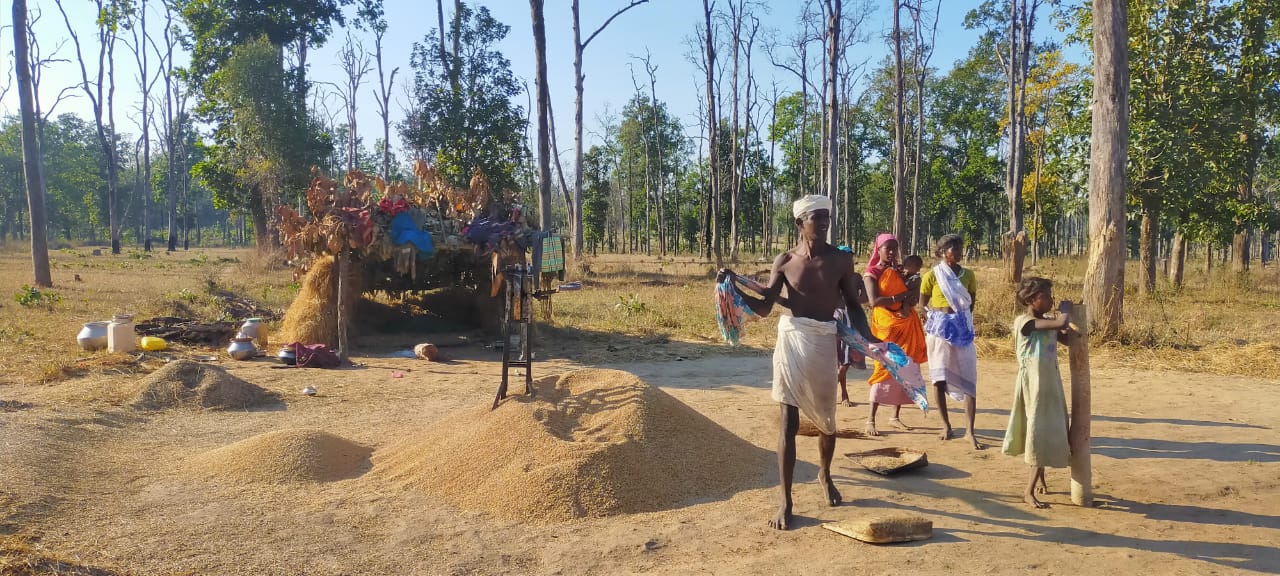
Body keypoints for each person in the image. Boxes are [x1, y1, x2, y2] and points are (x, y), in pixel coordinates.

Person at [722, 194, 877, 531]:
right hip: (791, 340)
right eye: (815, 218)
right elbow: (765, 307)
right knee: (787, 421)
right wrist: (733, 284)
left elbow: (852, 305)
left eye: (826, 218)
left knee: (827, 421)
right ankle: (786, 500)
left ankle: (824, 473)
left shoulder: (841, 260)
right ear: (799, 223)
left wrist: (870, 338)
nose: (823, 223)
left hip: (823, 340)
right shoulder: (786, 261)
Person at [1003, 277, 1073, 509]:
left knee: (1047, 428)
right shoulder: (1026, 322)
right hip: (1035, 386)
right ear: (1033, 299)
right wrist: (1066, 311)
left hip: (1050, 384)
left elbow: (1068, 338)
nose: (1051, 300)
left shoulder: (1046, 322)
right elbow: (1061, 324)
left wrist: (1075, 322)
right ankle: (1028, 491)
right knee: (1038, 431)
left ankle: (1041, 479)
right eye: (1047, 296)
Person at [919, 234, 982, 449]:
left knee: (969, 379)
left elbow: (971, 302)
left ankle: (970, 431)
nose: (957, 251)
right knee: (938, 378)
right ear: (941, 252)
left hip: (962, 331)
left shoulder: (969, 275)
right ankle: (946, 425)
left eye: (959, 248)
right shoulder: (933, 275)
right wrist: (938, 320)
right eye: (952, 248)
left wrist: (960, 320)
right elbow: (923, 304)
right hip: (939, 332)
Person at [862, 233, 927, 436]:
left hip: (905, 326)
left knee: (904, 368)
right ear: (878, 249)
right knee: (883, 368)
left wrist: (908, 300)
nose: (891, 252)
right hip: (885, 326)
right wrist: (900, 297)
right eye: (887, 248)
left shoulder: (900, 271)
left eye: (894, 249)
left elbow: (913, 294)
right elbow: (874, 302)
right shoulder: (871, 273)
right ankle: (870, 419)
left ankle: (895, 417)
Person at [836, 246, 868, 407]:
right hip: (835, 317)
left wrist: (853, 301)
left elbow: (866, 297)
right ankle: (843, 394)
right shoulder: (831, 276)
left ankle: (838, 392)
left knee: (846, 360)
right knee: (836, 357)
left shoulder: (856, 277)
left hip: (852, 319)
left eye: (849, 258)